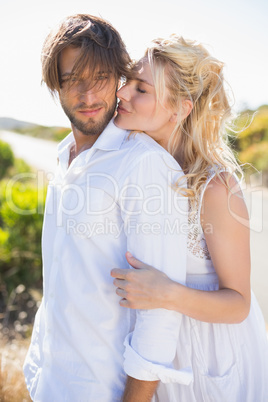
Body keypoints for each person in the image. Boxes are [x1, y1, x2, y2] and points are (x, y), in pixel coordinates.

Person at [23, 15, 193, 402]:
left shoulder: (143, 164)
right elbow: (61, 283)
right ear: (56, 85)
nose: (87, 96)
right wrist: (35, 368)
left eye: (99, 77)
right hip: (49, 383)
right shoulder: (62, 156)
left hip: (101, 391)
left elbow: (161, 317)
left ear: (118, 77)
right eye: (72, 80)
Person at [111, 35, 268, 401]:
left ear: (179, 108)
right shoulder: (133, 165)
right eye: (126, 82)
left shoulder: (215, 187)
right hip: (151, 352)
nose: (122, 94)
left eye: (141, 89)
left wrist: (167, 293)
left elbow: (239, 303)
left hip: (208, 357)